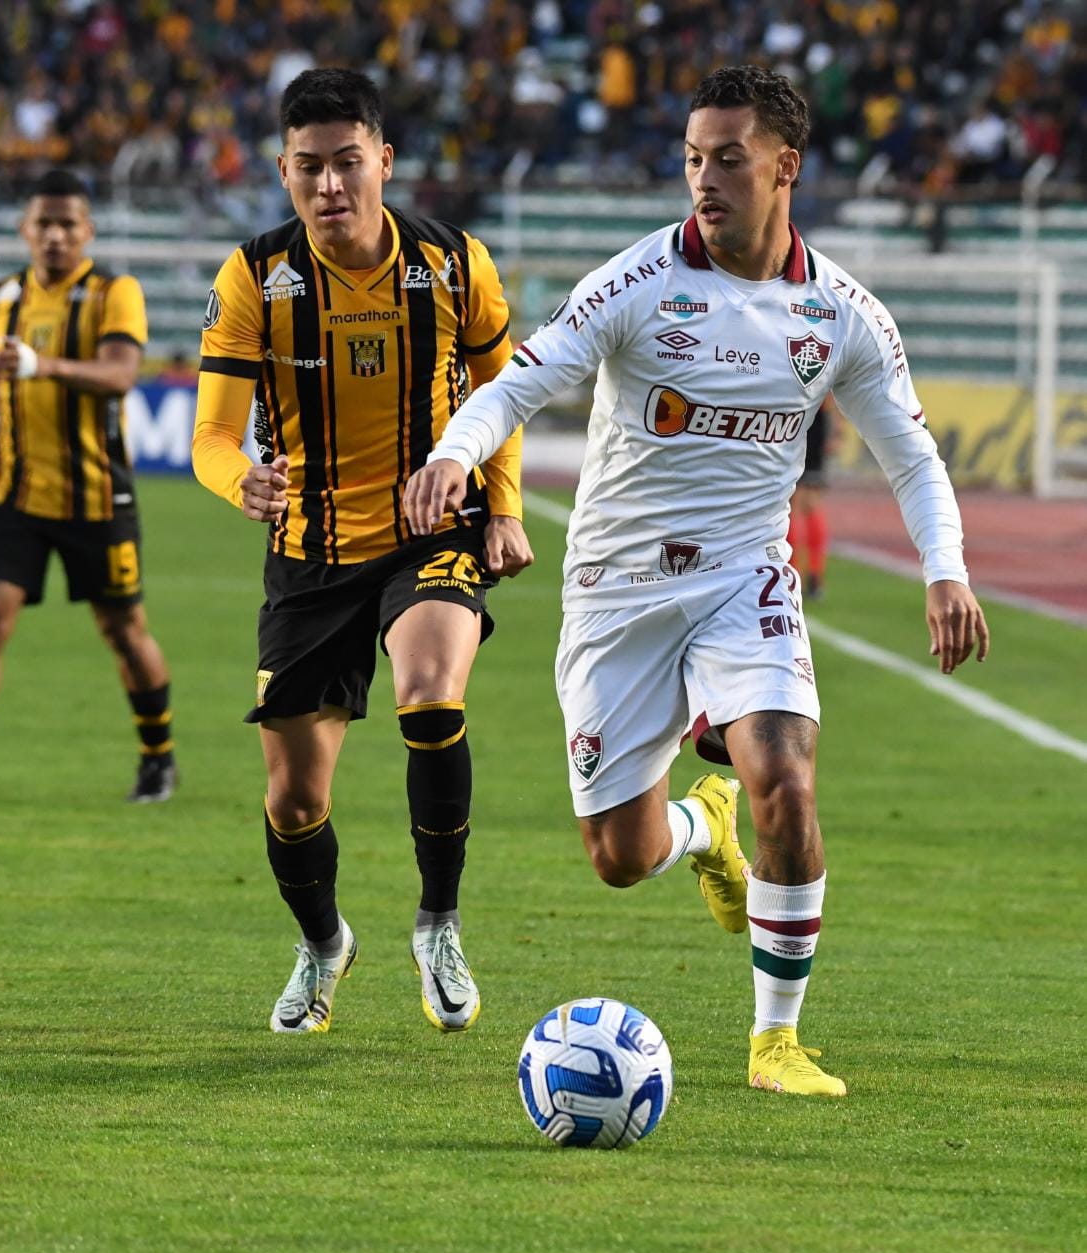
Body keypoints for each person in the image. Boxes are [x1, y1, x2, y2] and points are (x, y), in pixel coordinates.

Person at [406, 65, 989, 1095]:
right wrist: (457, 452)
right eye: (691, 159)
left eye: (728, 159)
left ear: (785, 166)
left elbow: (911, 454)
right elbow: (520, 383)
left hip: (744, 575)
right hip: (616, 586)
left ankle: (776, 1042)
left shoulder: (840, 313)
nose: (704, 179)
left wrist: (945, 571)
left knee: (787, 779)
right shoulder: (635, 282)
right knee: (620, 856)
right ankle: (700, 825)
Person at [191, 68, 532, 1035]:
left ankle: (438, 926)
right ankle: (323, 943)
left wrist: (502, 509)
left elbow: (500, 394)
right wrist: (239, 480)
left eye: (348, 162)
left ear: (384, 160)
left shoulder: (453, 263)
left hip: (431, 528)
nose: (330, 184)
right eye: (309, 167)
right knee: (294, 800)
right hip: (309, 552)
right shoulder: (254, 277)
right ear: (283, 171)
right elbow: (211, 435)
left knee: (431, 692)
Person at [0, 169, 178, 804]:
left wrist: (40, 364)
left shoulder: (115, 293)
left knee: (123, 629)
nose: (55, 236)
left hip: (97, 496)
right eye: (44, 224)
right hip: (13, 494)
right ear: (24, 229)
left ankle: (158, 758)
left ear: (88, 231)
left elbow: (120, 375)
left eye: (67, 224)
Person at [787, 392, 842, 600]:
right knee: (811, 503)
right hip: (815, 422)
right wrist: (837, 431)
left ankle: (792, 574)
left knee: (792, 505)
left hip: (796, 424)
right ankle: (815, 575)